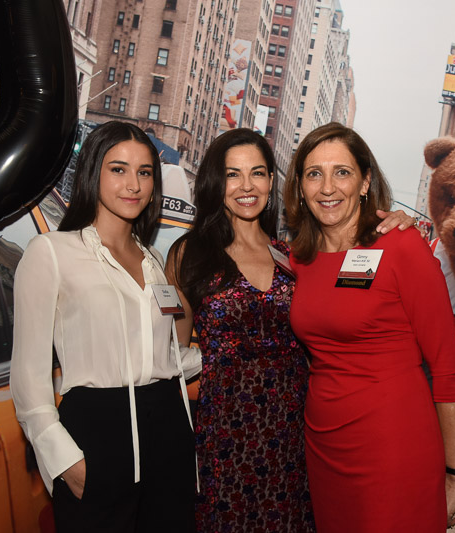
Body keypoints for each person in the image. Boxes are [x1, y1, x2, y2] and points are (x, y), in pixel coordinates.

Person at [166, 128, 416, 531]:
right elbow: (172, 358)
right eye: (233, 174)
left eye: (258, 173)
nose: (246, 186)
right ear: (216, 182)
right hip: (224, 434)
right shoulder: (188, 255)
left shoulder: (294, 255)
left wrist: (392, 222)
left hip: (294, 432)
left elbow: (346, 312)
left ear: (271, 181)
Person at [10, 121, 200, 532]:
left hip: (169, 433)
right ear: (92, 172)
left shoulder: (152, 260)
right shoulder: (52, 253)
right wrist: (65, 460)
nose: (133, 184)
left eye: (144, 172)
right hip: (96, 436)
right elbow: (29, 377)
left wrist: (224, 353)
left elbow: (162, 357)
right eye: (118, 169)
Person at [284, 122, 455, 532]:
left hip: (392, 442)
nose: (328, 187)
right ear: (300, 186)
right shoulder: (301, 258)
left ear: (365, 182)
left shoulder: (401, 246)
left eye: (342, 172)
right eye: (314, 173)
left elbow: (448, 367)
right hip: (323, 444)